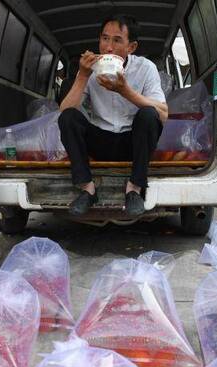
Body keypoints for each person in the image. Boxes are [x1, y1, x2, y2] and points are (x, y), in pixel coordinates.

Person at [58, 14, 168, 217]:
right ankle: (87, 189)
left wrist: (125, 91)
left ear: (131, 47)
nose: (108, 47)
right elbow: (65, 110)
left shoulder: (146, 68)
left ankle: (134, 189)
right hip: (100, 140)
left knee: (148, 114)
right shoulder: (90, 70)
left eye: (117, 40)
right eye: (104, 38)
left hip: (133, 144)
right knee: (68, 118)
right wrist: (82, 75)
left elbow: (163, 112)